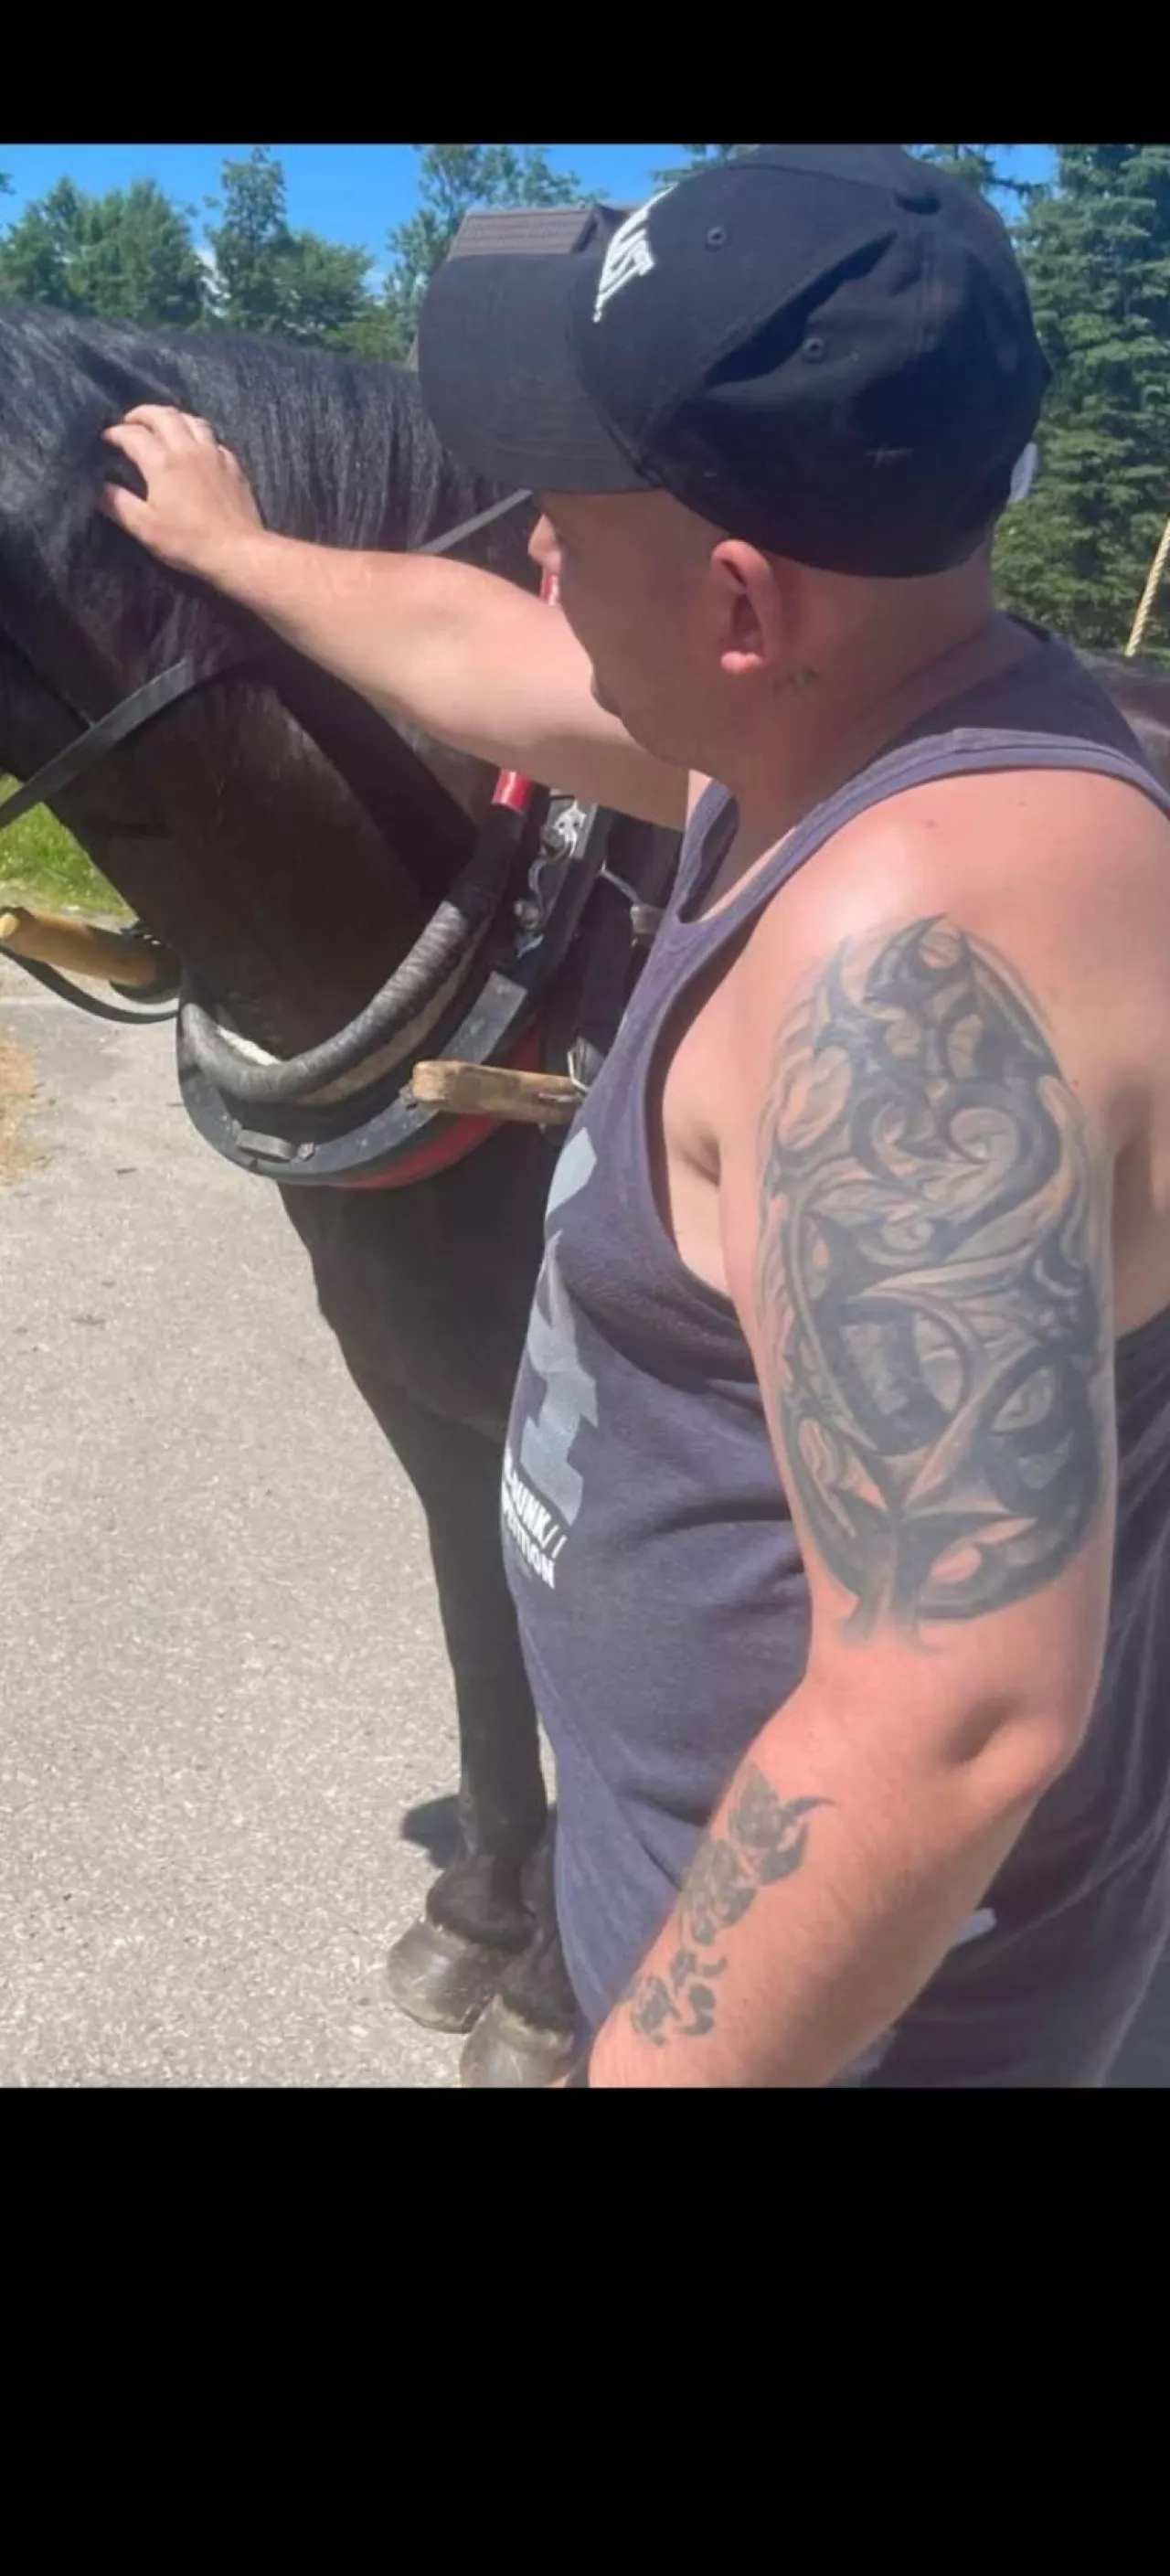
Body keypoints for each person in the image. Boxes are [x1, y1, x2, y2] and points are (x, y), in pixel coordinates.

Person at [100, 144, 1170, 2088]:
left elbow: (950, 1717)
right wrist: (236, 552)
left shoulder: (913, 964)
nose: (535, 557)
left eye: (570, 524)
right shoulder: (843, 725)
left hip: (846, 2030)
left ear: (741, 601)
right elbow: (482, 659)